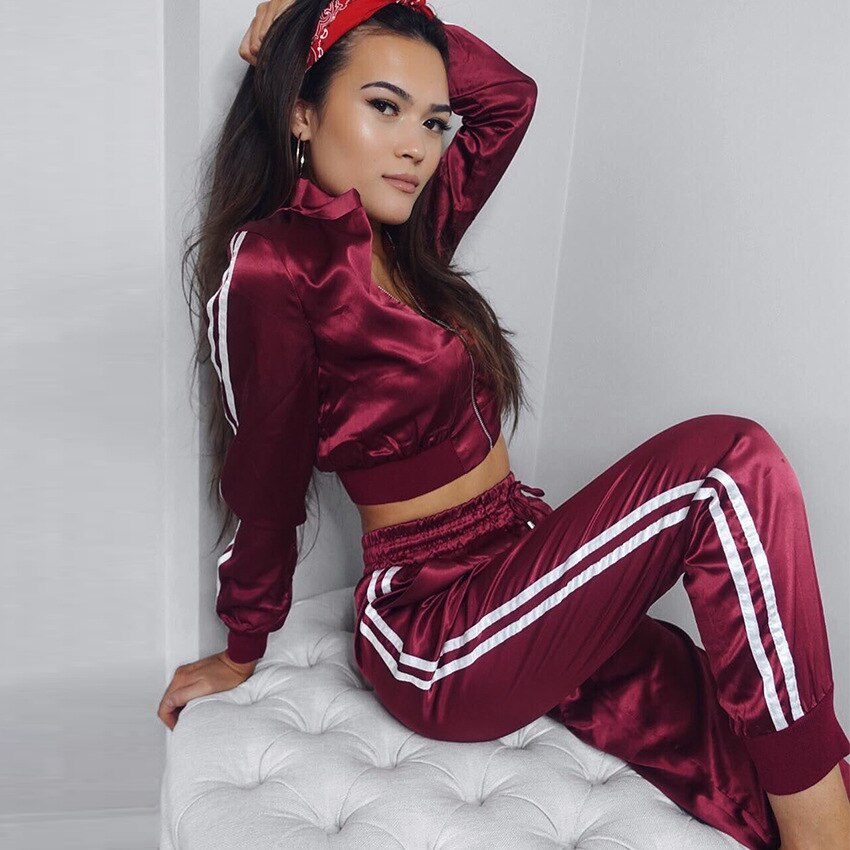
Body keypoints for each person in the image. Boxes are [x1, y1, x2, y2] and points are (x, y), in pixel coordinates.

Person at [158, 1, 850, 847]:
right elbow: (265, 477)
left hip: (518, 556)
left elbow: (505, 98)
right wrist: (243, 645)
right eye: (384, 106)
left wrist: (368, 2)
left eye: (431, 121)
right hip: (434, 626)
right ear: (302, 111)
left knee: (740, 734)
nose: (417, 145)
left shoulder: (411, 236)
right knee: (727, 468)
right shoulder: (277, 262)